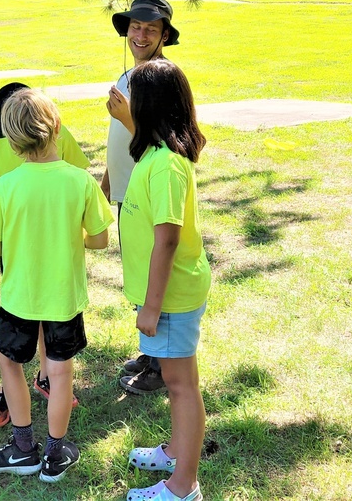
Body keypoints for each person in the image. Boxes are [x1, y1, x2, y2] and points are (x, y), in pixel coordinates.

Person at [0, 89, 112, 483]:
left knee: (11, 364)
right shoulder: (80, 181)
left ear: (12, 142)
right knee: (61, 372)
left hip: (20, 297)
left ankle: (22, 449)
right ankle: (54, 453)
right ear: (58, 129)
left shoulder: (5, 186)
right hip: (64, 298)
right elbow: (99, 240)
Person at [120, 59, 209, 501]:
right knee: (180, 382)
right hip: (164, 294)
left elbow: (168, 240)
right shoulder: (154, 155)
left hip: (172, 296)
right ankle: (176, 451)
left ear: (149, 104)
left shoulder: (168, 165)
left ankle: (183, 486)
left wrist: (152, 306)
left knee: (180, 385)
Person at [102, 0, 181, 396]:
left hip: (150, 195)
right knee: (137, 270)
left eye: (151, 28)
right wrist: (105, 185)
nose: (141, 33)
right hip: (126, 196)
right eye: (135, 26)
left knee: (154, 271)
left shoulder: (161, 78)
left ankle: (162, 363)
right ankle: (151, 353)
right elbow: (119, 143)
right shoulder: (127, 76)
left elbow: (163, 141)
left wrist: (127, 116)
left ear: (165, 34)